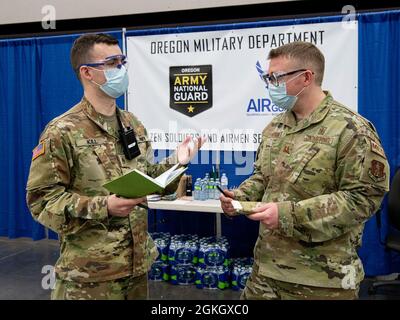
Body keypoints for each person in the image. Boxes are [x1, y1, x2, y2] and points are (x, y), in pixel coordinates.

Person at [26, 33, 203, 300]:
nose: (121, 69)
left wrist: (179, 162)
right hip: (90, 276)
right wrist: (104, 206)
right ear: (87, 72)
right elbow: (42, 201)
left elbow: (148, 180)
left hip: (136, 267)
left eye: (122, 61)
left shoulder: (132, 123)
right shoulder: (62, 131)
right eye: (112, 63)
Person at [220, 41, 389, 300]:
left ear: (306, 78)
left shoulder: (351, 130)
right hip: (266, 272)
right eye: (268, 78)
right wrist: (240, 198)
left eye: (275, 77)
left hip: (322, 280)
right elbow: (263, 178)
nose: (270, 85)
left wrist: (288, 214)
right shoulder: (275, 127)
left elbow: (363, 199)